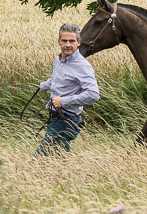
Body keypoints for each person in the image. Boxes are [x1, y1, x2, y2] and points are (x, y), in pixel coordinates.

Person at [34, 23, 100, 156]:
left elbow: (93, 95)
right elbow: (58, 80)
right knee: (60, 159)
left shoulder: (82, 66)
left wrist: (64, 101)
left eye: (72, 41)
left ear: (79, 42)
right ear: (59, 42)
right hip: (55, 117)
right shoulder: (58, 60)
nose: (68, 44)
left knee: (39, 160)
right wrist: (44, 85)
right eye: (64, 41)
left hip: (66, 119)